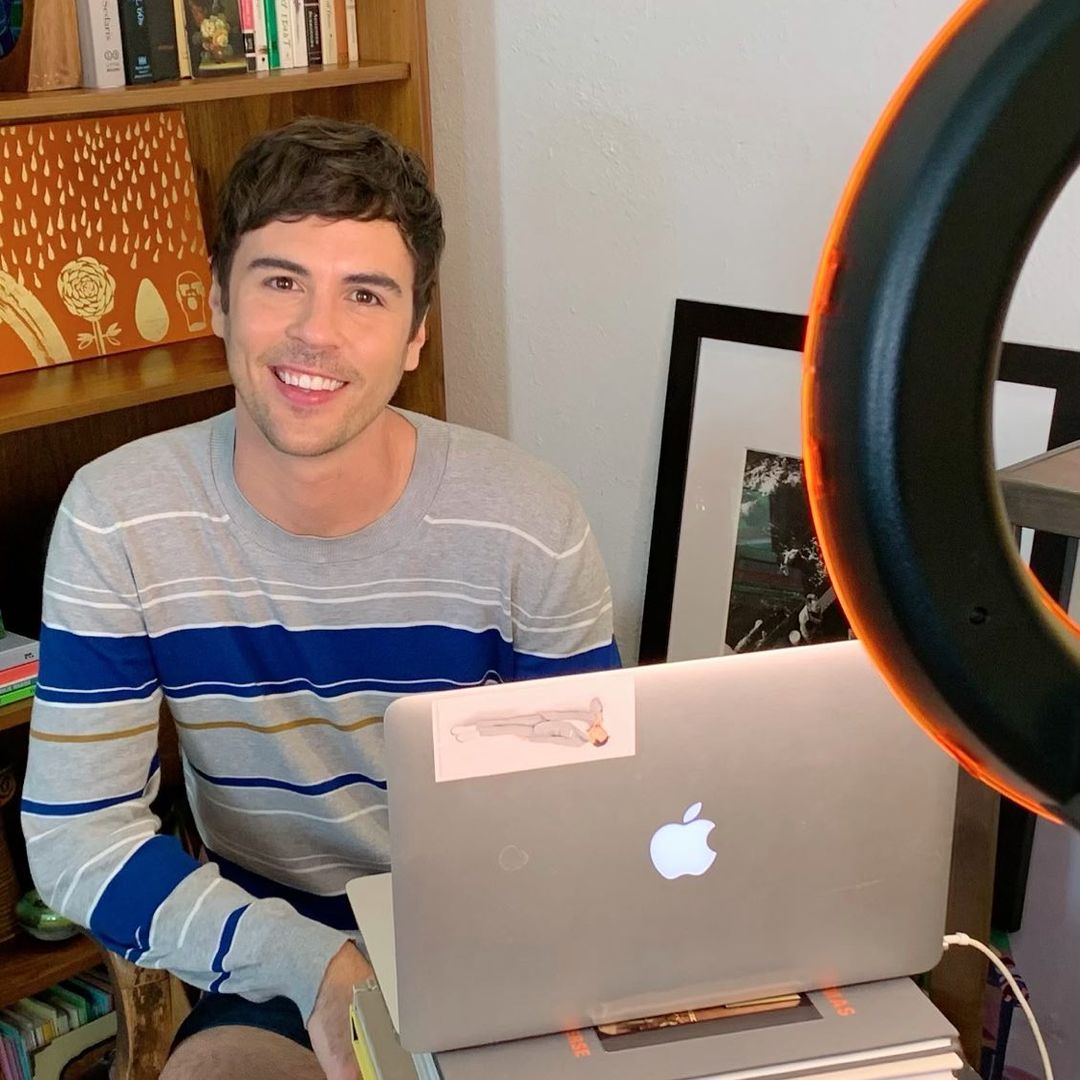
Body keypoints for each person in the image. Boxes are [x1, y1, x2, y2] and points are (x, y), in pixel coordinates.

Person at [21, 118, 620, 1080]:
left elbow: (580, 806)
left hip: (494, 931)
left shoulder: (524, 520)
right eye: (280, 281)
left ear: (416, 335)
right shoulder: (120, 515)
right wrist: (319, 967)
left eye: (365, 294)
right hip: (272, 944)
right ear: (218, 300)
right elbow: (77, 836)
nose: (316, 331)